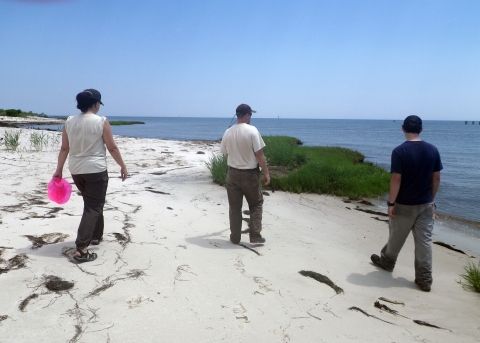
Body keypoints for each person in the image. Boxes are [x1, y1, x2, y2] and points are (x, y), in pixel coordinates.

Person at [53, 89, 128, 263]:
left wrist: (59, 169)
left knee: (93, 202)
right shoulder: (101, 121)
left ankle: (96, 236)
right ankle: (82, 248)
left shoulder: (70, 121)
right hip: (95, 169)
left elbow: (65, 148)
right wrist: (123, 166)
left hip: (76, 169)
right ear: (95, 104)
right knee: (94, 206)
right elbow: (112, 147)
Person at [370, 115, 442, 292]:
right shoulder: (433, 150)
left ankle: (387, 263)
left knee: (397, 236)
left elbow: (396, 179)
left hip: (404, 204)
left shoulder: (399, 151)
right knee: (424, 242)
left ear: (403, 129)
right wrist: (431, 200)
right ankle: (424, 279)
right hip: (426, 205)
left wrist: (391, 203)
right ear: (421, 129)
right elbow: (436, 178)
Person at [220, 104, 270, 244]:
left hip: (233, 173)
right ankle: (254, 235)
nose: (250, 118)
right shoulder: (252, 131)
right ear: (247, 115)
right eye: (250, 115)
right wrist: (266, 172)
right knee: (256, 204)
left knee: (235, 207)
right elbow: (259, 154)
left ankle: (235, 237)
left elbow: (225, 153)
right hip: (250, 174)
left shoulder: (228, 132)